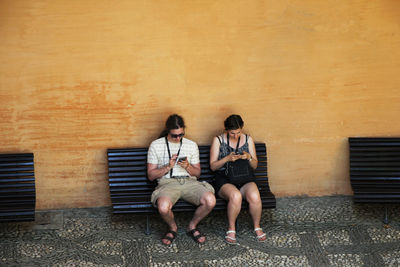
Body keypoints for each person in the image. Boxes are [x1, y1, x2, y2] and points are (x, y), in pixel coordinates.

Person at [147, 114, 216, 246]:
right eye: (174, 135)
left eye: (181, 135)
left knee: (210, 201)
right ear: (168, 131)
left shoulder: (191, 145)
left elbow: (198, 173)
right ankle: (173, 227)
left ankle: (192, 226)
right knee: (163, 207)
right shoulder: (156, 145)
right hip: (168, 183)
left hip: (189, 182)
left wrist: (188, 166)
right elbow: (151, 175)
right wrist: (168, 166)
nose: (178, 138)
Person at [209, 114, 267, 244]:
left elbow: (255, 165)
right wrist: (227, 159)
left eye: (238, 132)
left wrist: (249, 157)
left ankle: (257, 227)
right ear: (226, 130)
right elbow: (213, 167)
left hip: (244, 176)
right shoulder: (218, 140)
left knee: (255, 196)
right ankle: (231, 229)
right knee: (235, 196)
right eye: (232, 133)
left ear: (242, 128)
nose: (235, 136)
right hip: (224, 178)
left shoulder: (248, 139)